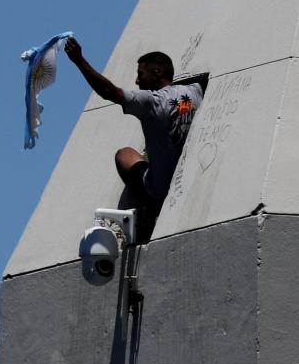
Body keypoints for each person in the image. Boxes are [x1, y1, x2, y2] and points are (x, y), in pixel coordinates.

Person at [64, 36, 202, 239]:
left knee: (124, 154)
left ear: (157, 73)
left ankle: (146, 211)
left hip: (159, 189)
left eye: (141, 74)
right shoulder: (195, 91)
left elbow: (108, 91)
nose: (137, 81)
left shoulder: (152, 101)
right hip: (186, 179)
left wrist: (79, 60)